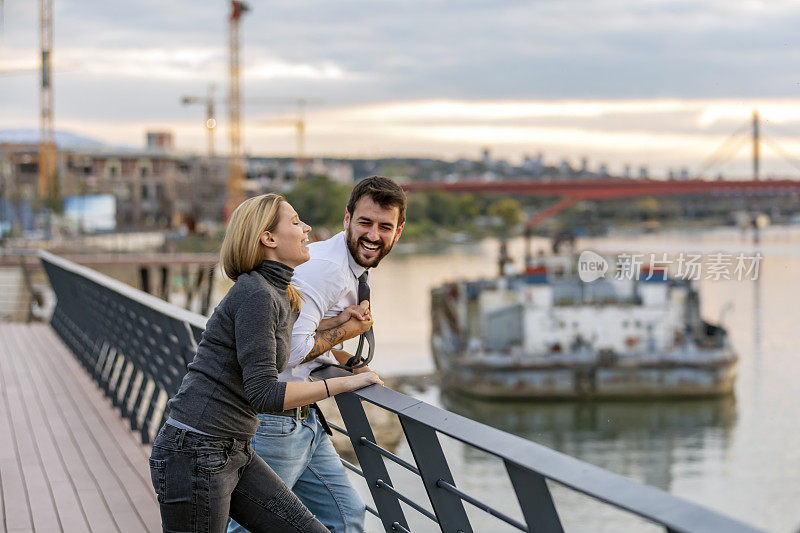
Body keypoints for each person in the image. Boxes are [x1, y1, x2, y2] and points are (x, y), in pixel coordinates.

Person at [149, 193, 383, 533]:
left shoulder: (279, 292)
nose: (307, 229)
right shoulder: (258, 294)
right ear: (268, 238)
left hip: (233, 448)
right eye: (295, 222)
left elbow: (281, 347)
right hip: (196, 451)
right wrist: (347, 382)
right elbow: (264, 394)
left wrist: (337, 324)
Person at [228, 176, 406, 533]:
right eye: (365, 223)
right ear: (347, 220)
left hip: (303, 420)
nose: (373, 235)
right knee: (249, 528)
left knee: (346, 516)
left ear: (398, 232)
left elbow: (299, 334)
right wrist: (348, 332)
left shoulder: (341, 264)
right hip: (276, 420)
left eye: (384, 227)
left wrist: (343, 357)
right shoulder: (328, 270)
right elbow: (290, 351)